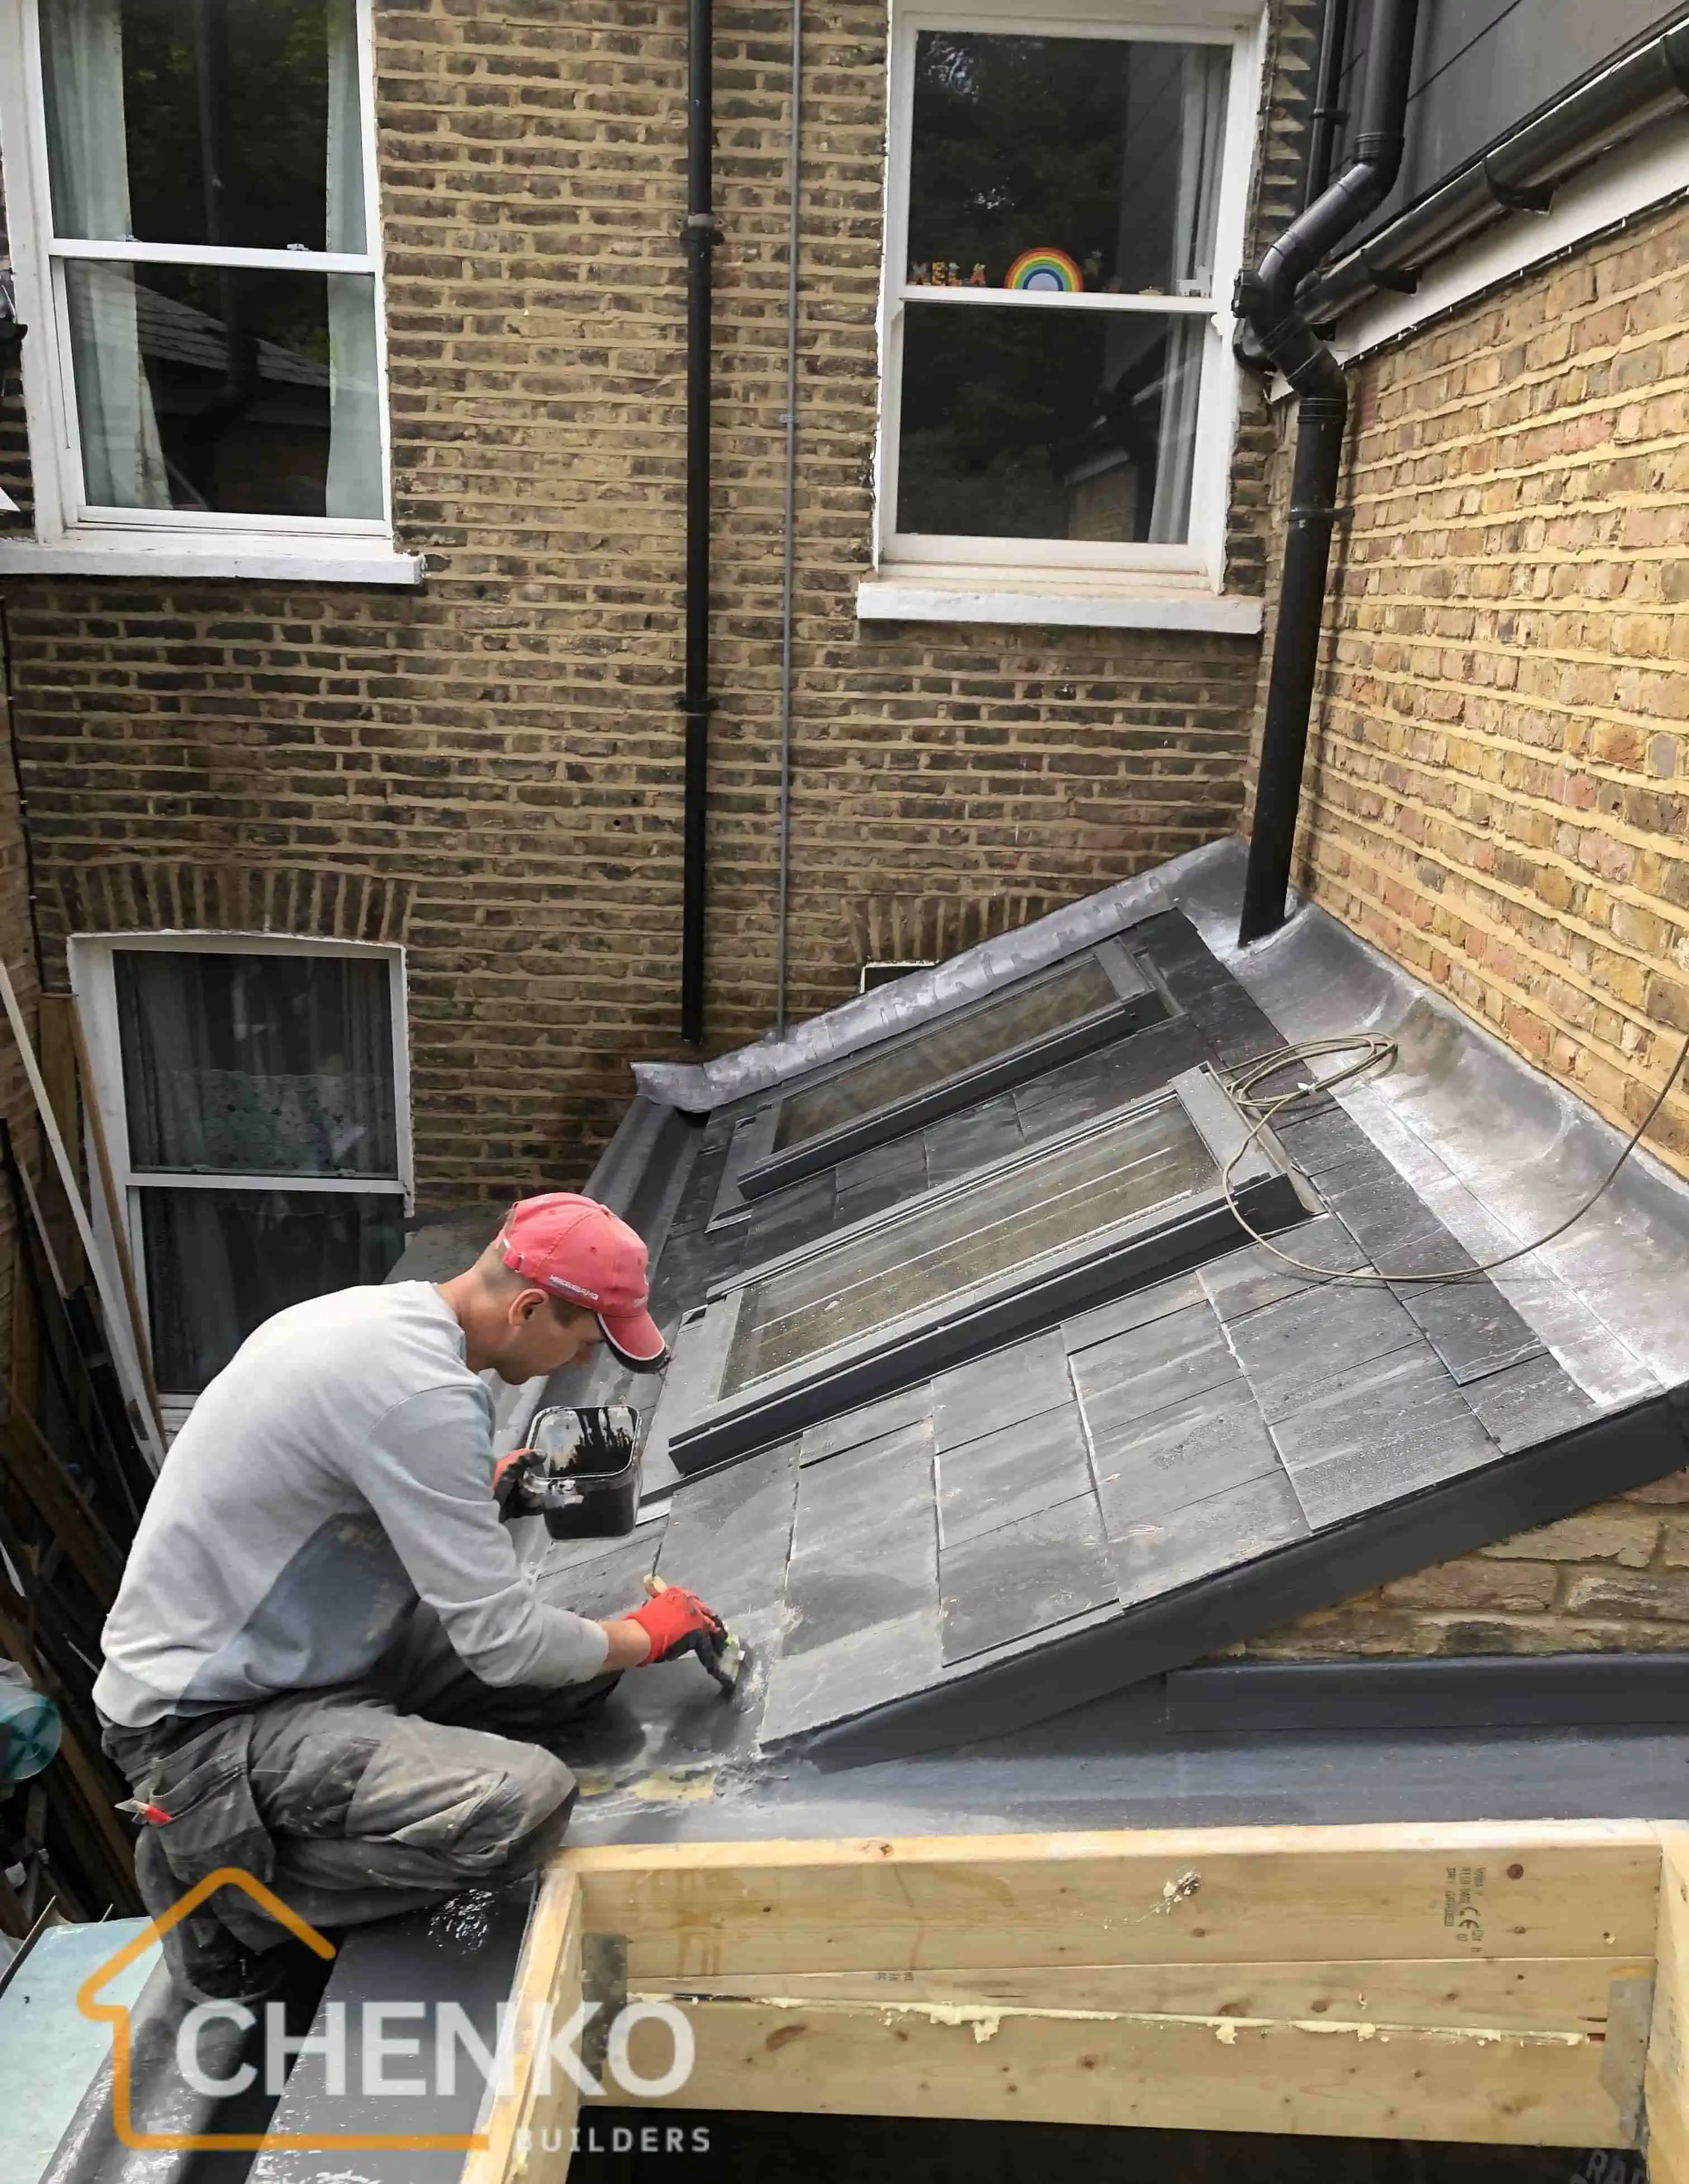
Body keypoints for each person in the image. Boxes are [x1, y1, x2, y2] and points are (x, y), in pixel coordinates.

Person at [95, 1192, 721, 2001]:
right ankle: (227, 1887)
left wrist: (481, 1490)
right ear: (530, 1307)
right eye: (582, 1338)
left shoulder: (375, 1319)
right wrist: (648, 1633)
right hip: (202, 1723)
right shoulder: (420, 1394)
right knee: (522, 1805)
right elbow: (504, 1644)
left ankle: (327, 1777)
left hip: (303, 1645)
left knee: (578, 1673)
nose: (578, 1361)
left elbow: (348, 1484)